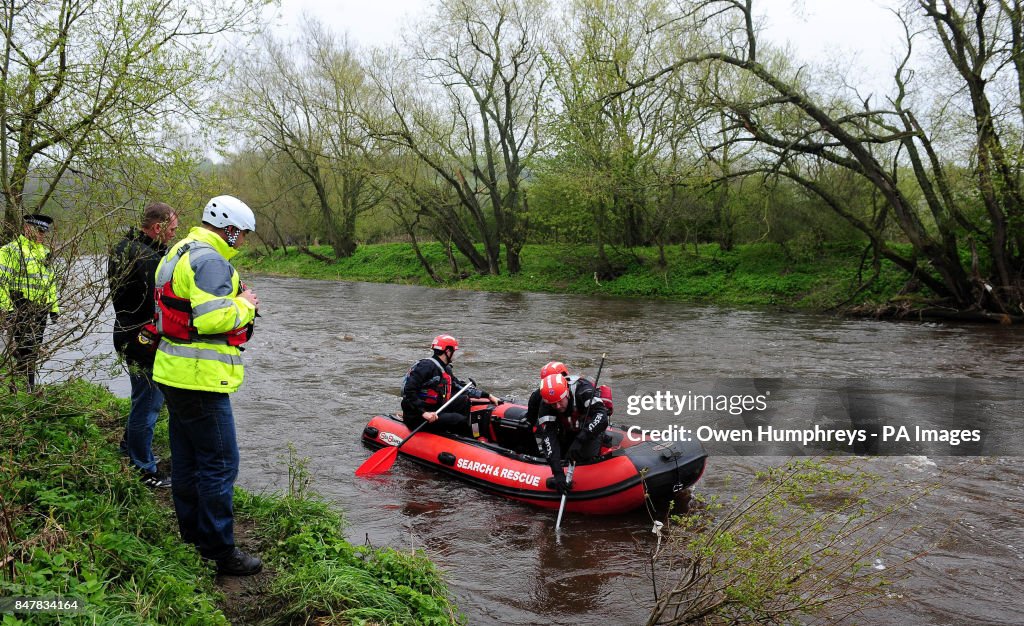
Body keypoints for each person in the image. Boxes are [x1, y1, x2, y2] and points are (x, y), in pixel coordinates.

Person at [152, 195, 262, 576]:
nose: (243, 241)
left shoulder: (178, 251)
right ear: (228, 228)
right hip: (199, 378)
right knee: (220, 463)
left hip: (172, 372)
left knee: (187, 460)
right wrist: (245, 303)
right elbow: (213, 318)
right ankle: (219, 551)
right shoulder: (210, 260)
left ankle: (191, 537)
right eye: (242, 234)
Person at [108, 202, 179, 488]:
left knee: (143, 398)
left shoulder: (123, 247)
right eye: (172, 229)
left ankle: (130, 446)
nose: (174, 234)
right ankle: (144, 469)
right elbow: (159, 304)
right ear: (157, 227)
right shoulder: (147, 257)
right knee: (149, 403)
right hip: (143, 339)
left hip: (126, 332)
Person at [525, 362, 610, 494]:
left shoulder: (583, 391)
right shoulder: (546, 403)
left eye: (560, 401)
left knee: (584, 456)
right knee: (561, 455)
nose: (558, 406)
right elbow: (549, 438)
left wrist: (581, 439)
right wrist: (558, 473)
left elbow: (601, 417)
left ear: (567, 393)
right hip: (567, 429)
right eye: (554, 404)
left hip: (589, 430)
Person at [0, 214, 59, 391]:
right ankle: (20, 389)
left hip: (40, 308)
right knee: (22, 351)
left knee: (33, 351)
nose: (42, 235)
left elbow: (50, 281)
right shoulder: (10, 250)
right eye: (39, 231)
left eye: (44, 232)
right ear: (27, 228)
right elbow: (1, 282)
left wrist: (53, 307)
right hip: (20, 306)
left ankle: (27, 389)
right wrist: (8, 310)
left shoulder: (45, 252)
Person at [401, 334, 500, 436]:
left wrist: (487, 395)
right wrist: (423, 413)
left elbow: (460, 387)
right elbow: (408, 392)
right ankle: (468, 436)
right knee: (459, 419)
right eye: (454, 351)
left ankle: (467, 433)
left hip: (435, 408)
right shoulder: (425, 367)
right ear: (448, 351)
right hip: (418, 416)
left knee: (464, 400)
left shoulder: (445, 368)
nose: (455, 355)